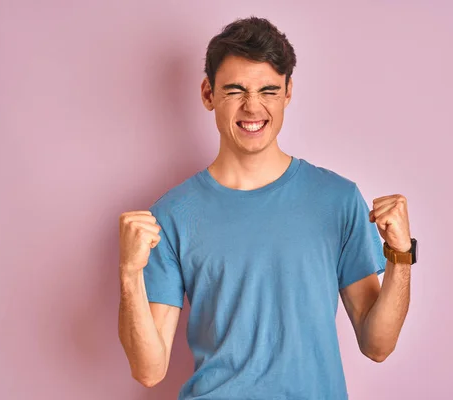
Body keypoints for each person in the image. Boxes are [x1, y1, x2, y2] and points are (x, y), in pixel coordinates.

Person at [118, 16, 417, 400]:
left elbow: (377, 345)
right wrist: (129, 273)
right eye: (235, 91)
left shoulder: (338, 200)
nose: (252, 107)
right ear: (208, 94)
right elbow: (149, 370)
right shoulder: (171, 215)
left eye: (269, 91)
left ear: (288, 91)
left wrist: (401, 256)